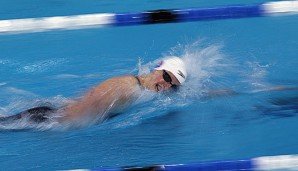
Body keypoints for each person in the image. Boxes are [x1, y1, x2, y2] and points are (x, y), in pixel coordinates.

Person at [0, 56, 187, 126]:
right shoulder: (126, 87)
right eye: (167, 77)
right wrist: (64, 126)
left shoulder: (144, 89)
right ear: (158, 67)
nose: (167, 85)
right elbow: (92, 97)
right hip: (49, 119)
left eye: (174, 85)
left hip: (57, 112)